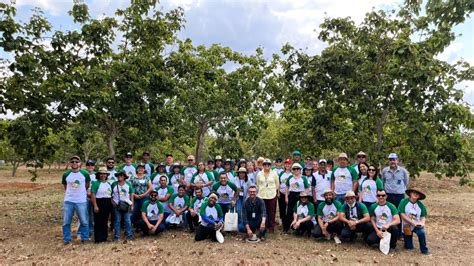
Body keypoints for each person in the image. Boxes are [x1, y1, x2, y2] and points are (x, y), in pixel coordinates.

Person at [62, 156, 91, 245]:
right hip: (68, 201)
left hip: (81, 201)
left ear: (80, 163)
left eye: (76, 161)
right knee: (66, 221)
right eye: (72, 161)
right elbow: (66, 187)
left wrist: (80, 193)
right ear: (70, 163)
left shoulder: (85, 173)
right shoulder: (66, 174)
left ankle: (85, 238)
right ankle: (67, 239)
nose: (74, 163)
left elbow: (87, 185)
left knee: (84, 221)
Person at [399, 188, 429, 255]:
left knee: (421, 233)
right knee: (409, 248)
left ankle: (424, 250)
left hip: (417, 225)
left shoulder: (420, 205)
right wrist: (412, 222)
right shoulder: (404, 202)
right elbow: (402, 215)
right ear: (410, 194)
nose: (415, 194)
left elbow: (423, 216)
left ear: (419, 196)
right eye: (414, 193)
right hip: (407, 226)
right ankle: (407, 243)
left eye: (417, 194)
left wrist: (422, 223)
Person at [284, 163, 309, 233]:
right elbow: (286, 188)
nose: (296, 170)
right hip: (291, 195)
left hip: (300, 196)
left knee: (300, 212)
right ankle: (287, 228)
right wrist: (286, 197)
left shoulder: (303, 178)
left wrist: (304, 195)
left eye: (298, 169)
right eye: (294, 169)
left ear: (300, 169)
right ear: (292, 170)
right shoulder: (290, 177)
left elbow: (307, 188)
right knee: (289, 212)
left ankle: (299, 228)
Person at [256, 159, 280, 233]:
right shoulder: (259, 174)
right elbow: (257, 184)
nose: (267, 166)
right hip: (262, 195)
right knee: (263, 212)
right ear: (263, 165)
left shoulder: (274, 174)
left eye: (268, 164)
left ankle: (271, 227)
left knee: (271, 212)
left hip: (271, 195)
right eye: (265, 164)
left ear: (270, 165)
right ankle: (263, 226)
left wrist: (276, 192)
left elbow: (277, 184)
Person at [90, 167, 112, 243]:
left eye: (104, 174)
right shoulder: (96, 184)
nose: (103, 175)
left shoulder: (108, 183)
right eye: (101, 174)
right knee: (98, 221)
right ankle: (98, 239)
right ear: (99, 175)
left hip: (107, 202)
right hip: (99, 202)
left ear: (107, 175)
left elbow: (110, 194)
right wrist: (95, 205)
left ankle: (104, 237)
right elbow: (93, 195)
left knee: (105, 221)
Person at [111, 170, 135, 241]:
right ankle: (116, 236)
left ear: (124, 177)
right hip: (116, 205)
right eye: (118, 175)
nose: (119, 177)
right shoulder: (114, 184)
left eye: (121, 175)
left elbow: (131, 194)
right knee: (117, 220)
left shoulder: (128, 184)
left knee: (127, 220)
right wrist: (112, 202)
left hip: (126, 204)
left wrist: (132, 204)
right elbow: (109, 194)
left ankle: (129, 235)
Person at [277, 159, 292, 229]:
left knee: (289, 209)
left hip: (290, 194)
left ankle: (289, 222)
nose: (287, 165)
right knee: (282, 208)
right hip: (282, 193)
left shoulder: (292, 174)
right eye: (286, 164)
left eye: (288, 164)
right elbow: (279, 183)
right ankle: (283, 222)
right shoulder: (281, 173)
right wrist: (278, 192)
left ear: (291, 165)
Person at [84, 160, 96, 237]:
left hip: (94, 197)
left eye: (92, 165)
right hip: (85, 197)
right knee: (84, 215)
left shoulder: (96, 175)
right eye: (88, 165)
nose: (90, 166)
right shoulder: (83, 174)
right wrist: (87, 194)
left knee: (92, 215)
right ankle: (84, 231)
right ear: (86, 166)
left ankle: (91, 230)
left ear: (94, 166)